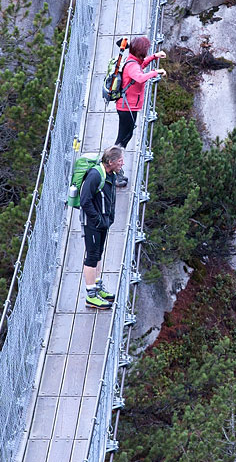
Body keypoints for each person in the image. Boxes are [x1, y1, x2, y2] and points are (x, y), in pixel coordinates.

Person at [115, 36, 166, 186]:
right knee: (123, 138)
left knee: (126, 136)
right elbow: (139, 77)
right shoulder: (132, 65)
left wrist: (154, 57)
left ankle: (114, 167)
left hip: (129, 106)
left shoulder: (132, 60)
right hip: (126, 107)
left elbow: (141, 65)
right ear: (140, 51)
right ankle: (112, 168)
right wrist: (156, 72)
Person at [80, 146, 124, 309]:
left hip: (102, 222)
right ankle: (91, 296)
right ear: (111, 162)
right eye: (120, 161)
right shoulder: (95, 175)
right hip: (93, 223)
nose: (122, 164)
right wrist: (97, 219)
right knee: (91, 257)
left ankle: (97, 287)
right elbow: (85, 200)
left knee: (98, 254)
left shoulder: (110, 174)